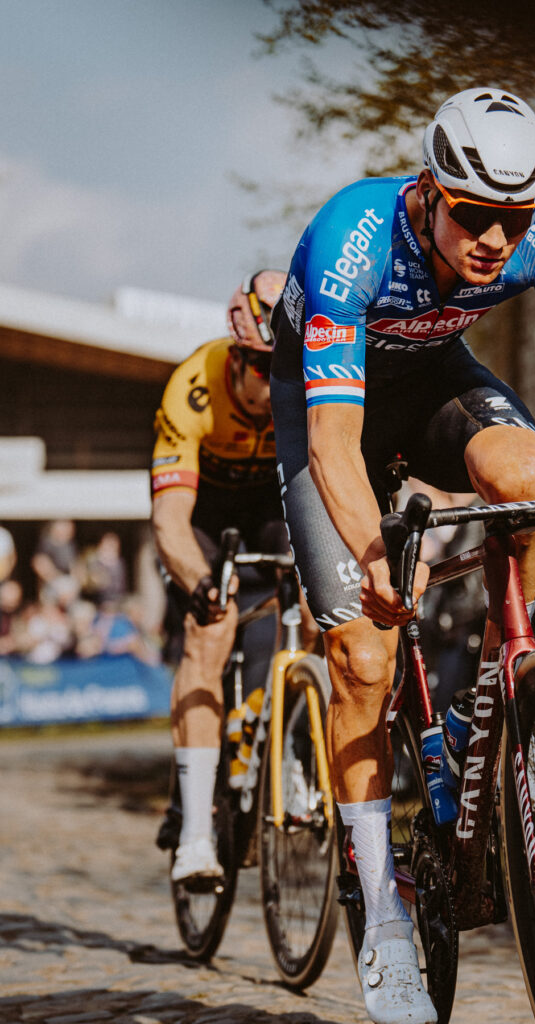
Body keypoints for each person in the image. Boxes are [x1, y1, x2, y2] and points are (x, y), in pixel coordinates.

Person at [268, 88, 535, 1024]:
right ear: (428, 192)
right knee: (363, 658)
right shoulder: (354, 237)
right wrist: (370, 546)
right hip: (327, 409)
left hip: (432, 380)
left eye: (516, 219)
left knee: (524, 468)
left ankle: (509, 694)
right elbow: (337, 449)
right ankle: (383, 911)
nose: (498, 241)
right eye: (476, 218)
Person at [150, 269, 289, 886]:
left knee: (323, 608)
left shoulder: (308, 384)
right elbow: (170, 520)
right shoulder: (194, 385)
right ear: (238, 357)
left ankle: (297, 752)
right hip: (203, 515)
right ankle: (197, 838)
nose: (274, 381)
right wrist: (200, 581)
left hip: (270, 509)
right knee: (211, 628)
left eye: (287, 365)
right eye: (263, 366)